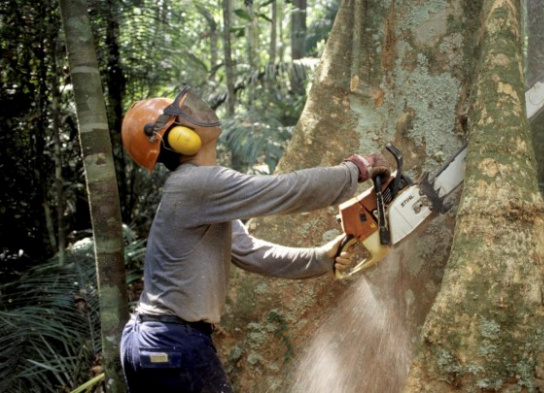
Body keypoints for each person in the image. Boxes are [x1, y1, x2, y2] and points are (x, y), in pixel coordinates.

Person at [118, 86, 389, 392]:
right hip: (173, 341)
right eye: (185, 116)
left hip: (151, 341)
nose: (197, 113)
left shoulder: (202, 195)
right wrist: (353, 171)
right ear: (177, 138)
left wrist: (320, 258)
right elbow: (282, 191)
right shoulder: (196, 184)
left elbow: (252, 253)